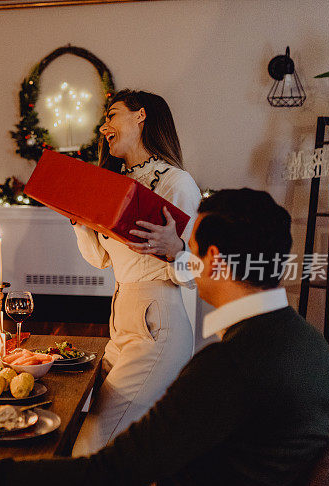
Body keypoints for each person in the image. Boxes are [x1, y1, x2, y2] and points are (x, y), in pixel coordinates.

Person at [0, 189, 329, 486]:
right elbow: (249, 453)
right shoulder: (308, 344)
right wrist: (164, 474)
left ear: (215, 260)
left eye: (190, 249)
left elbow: (104, 476)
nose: (185, 259)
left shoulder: (231, 364)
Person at [71, 89, 203, 454]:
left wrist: (176, 248)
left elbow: (197, 270)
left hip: (158, 322)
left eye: (112, 115)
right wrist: (79, 222)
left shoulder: (178, 183)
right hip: (120, 318)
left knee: (95, 443)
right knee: (92, 429)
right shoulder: (114, 186)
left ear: (141, 116)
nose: (103, 127)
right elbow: (101, 258)